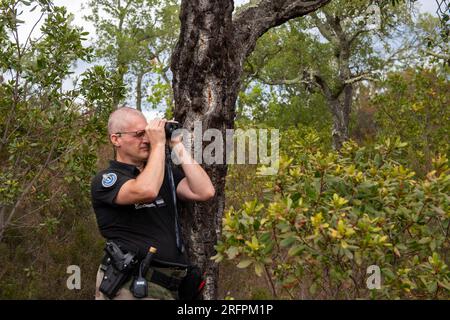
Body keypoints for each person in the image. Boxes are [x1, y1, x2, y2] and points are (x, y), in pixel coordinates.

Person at [91, 107, 215, 300]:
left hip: (169, 287)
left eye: (147, 133)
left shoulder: (163, 176)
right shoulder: (108, 179)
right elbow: (146, 191)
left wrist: (176, 145)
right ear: (116, 139)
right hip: (131, 285)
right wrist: (158, 146)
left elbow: (204, 191)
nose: (147, 140)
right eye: (139, 134)